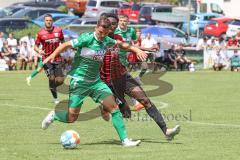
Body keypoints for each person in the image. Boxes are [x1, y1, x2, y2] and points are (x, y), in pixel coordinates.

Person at [41, 17, 146, 147]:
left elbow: (121, 44)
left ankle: (125, 140)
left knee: (114, 108)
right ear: (96, 28)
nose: (102, 35)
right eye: (100, 32)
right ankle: (54, 116)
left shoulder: (107, 40)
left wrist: (136, 49)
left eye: (105, 33)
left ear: (108, 32)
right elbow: (65, 45)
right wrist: (52, 56)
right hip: (79, 82)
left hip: (96, 83)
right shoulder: (87, 38)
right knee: (71, 117)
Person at [100, 13, 180, 140]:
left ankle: (166, 131)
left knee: (145, 101)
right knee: (126, 114)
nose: (112, 26)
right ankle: (105, 106)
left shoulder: (117, 37)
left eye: (114, 24)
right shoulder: (95, 40)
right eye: (110, 23)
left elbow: (128, 47)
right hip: (108, 82)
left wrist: (143, 49)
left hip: (123, 76)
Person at [27, 14, 65, 104]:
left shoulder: (59, 30)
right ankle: (55, 98)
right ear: (44, 21)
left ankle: (52, 87)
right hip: (46, 59)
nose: (49, 22)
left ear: (52, 21)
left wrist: (64, 49)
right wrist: (39, 51)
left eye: (50, 20)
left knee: (60, 81)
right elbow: (35, 46)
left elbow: (63, 42)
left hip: (57, 58)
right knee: (51, 78)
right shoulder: (40, 33)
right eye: (47, 20)